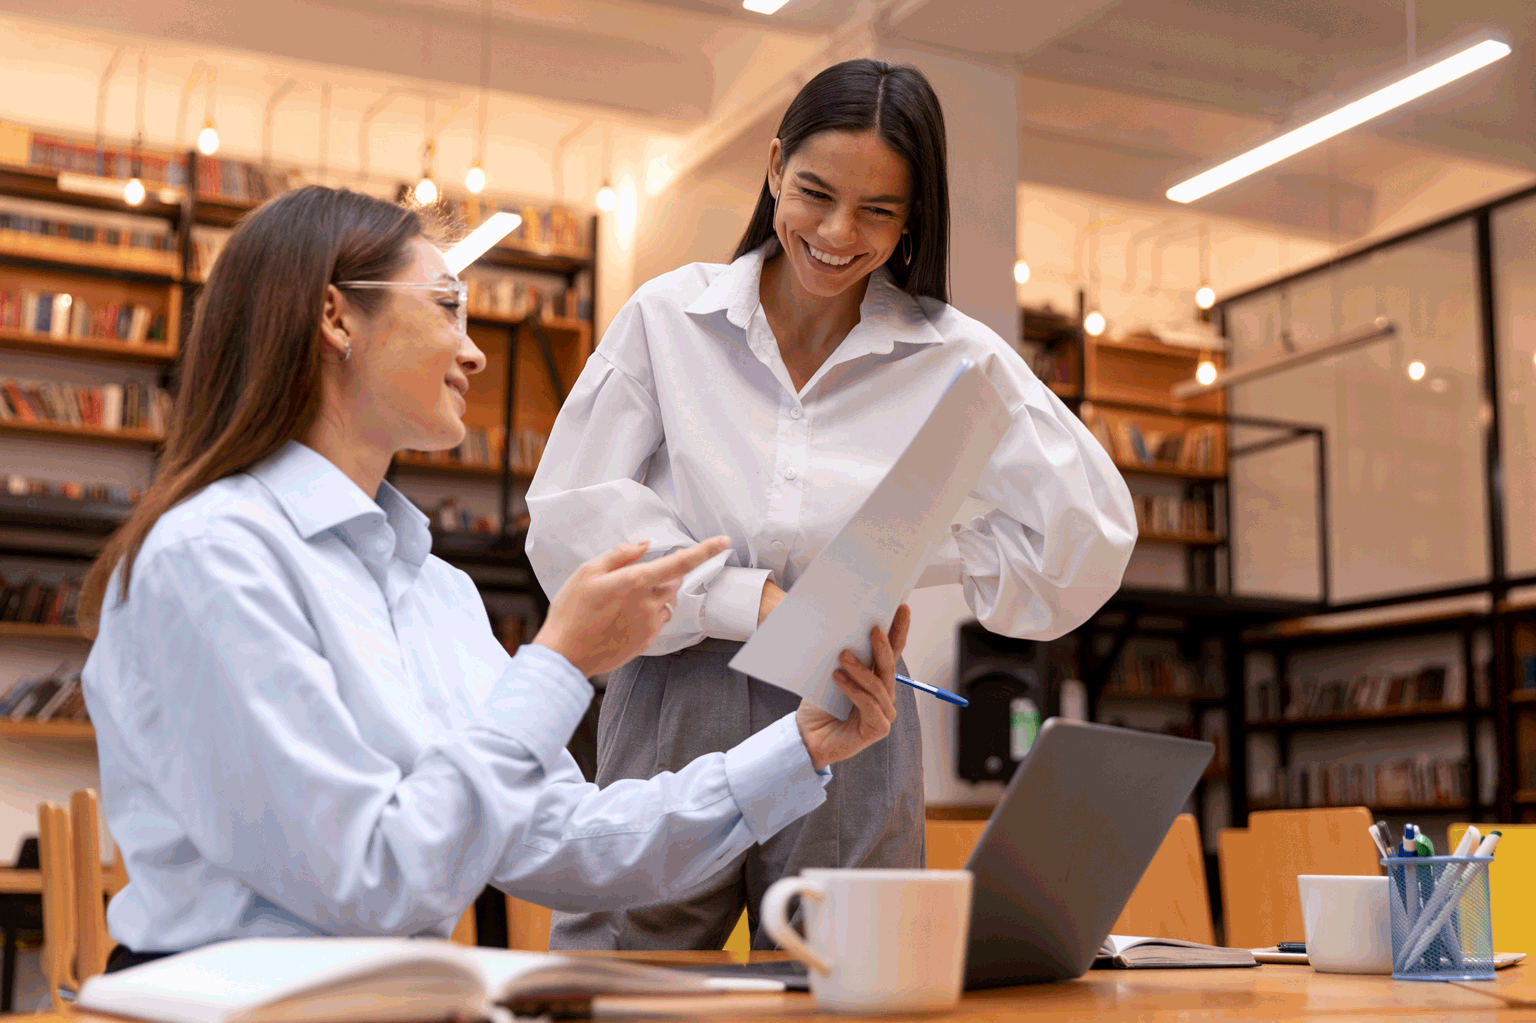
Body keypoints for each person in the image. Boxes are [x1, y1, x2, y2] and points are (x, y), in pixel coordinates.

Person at [78, 184, 909, 970]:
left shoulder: (433, 590)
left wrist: (799, 748)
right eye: (447, 308)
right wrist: (558, 665)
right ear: (335, 315)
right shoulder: (212, 555)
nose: (473, 351)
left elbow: (565, 840)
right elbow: (371, 879)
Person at [526, 58, 1137, 953]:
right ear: (774, 167)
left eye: (879, 211)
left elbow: (1088, 539)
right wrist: (752, 603)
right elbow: (571, 527)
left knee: (853, 980)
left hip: (856, 699)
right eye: (814, 192)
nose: (839, 232)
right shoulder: (670, 318)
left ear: (915, 215)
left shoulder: (956, 358)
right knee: (629, 976)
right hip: (673, 690)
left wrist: (928, 547)